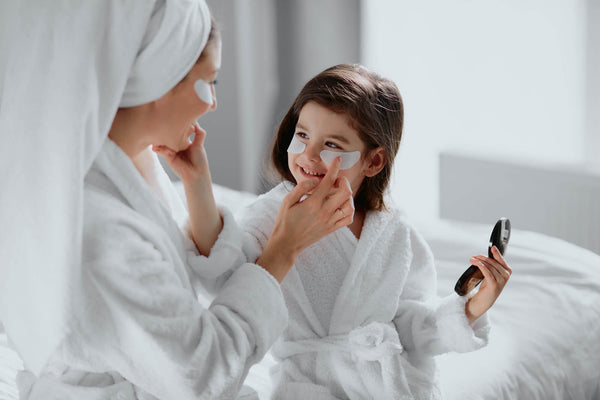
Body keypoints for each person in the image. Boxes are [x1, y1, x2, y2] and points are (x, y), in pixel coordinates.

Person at [15, 8, 354, 400]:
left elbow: (174, 279)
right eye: (208, 81)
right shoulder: (98, 232)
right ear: (158, 80)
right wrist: (282, 250)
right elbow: (202, 374)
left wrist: (197, 186)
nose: (212, 103)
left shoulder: (121, 163)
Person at [235, 64, 512, 399]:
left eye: (332, 144)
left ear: (374, 161)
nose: (308, 154)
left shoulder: (394, 234)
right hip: (307, 387)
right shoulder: (268, 217)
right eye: (303, 135)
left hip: (388, 385)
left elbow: (412, 325)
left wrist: (472, 308)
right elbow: (228, 281)